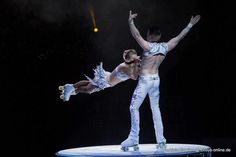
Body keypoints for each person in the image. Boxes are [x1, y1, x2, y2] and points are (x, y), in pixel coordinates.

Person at [121, 11, 201, 151]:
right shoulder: (165, 47)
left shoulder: (148, 46)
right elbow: (178, 38)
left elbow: (136, 35)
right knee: (155, 109)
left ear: (151, 35)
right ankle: (161, 140)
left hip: (145, 81)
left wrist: (130, 22)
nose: (145, 36)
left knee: (133, 108)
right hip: (156, 81)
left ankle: (133, 139)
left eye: (147, 34)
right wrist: (189, 25)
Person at [59, 49, 141, 101]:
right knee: (88, 90)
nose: (136, 58)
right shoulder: (125, 67)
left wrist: (139, 62)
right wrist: (138, 64)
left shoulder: (130, 65)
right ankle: (71, 89)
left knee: (88, 84)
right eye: (133, 58)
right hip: (104, 81)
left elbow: (138, 69)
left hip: (107, 80)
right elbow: (134, 77)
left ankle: (71, 88)